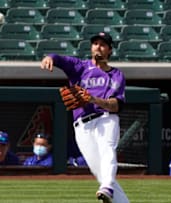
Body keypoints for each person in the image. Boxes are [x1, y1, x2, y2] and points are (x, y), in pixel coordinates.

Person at [40, 32, 129, 203]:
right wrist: (49, 58)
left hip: (106, 118)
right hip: (82, 126)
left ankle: (107, 187)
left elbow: (116, 105)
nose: (98, 47)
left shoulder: (116, 75)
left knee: (107, 149)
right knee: (100, 172)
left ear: (109, 50)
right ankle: (112, 191)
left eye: (103, 44)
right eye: (95, 43)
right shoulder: (80, 67)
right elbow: (58, 58)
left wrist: (93, 99)